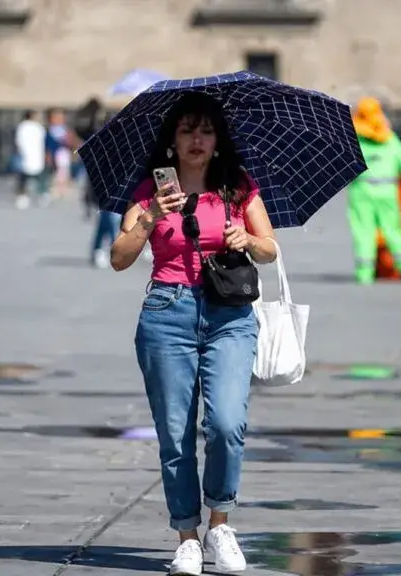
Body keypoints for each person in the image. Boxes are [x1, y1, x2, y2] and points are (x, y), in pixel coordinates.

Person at [109, 92, 278, 576]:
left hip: (229, 316)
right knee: (175, 434)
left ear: (218, 138)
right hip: (167, 313)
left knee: (226, 423)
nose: (197, 139)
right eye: (187, 130)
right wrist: (150, 218)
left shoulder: (237, 187)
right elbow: (120, 259)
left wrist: (248, 239)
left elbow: (270, 249)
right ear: (172, 142)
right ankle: (187, 536)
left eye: (205, 130)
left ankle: (220, 523)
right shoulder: (148, 192)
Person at [347, 97, 401, 284]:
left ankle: (364, 274)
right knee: (393, 230)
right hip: (387, 191)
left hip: (361, 193)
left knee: (363, 232)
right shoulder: (390, 139)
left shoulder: (354, 139)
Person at [14, 109, 47, 210]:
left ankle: (22, 196)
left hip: (26, 156)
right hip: (37, 156)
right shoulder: (38, 127)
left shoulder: (22, 127)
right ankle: (42, 195)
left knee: (23, 178)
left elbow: (18, 141)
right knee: (39, 177)